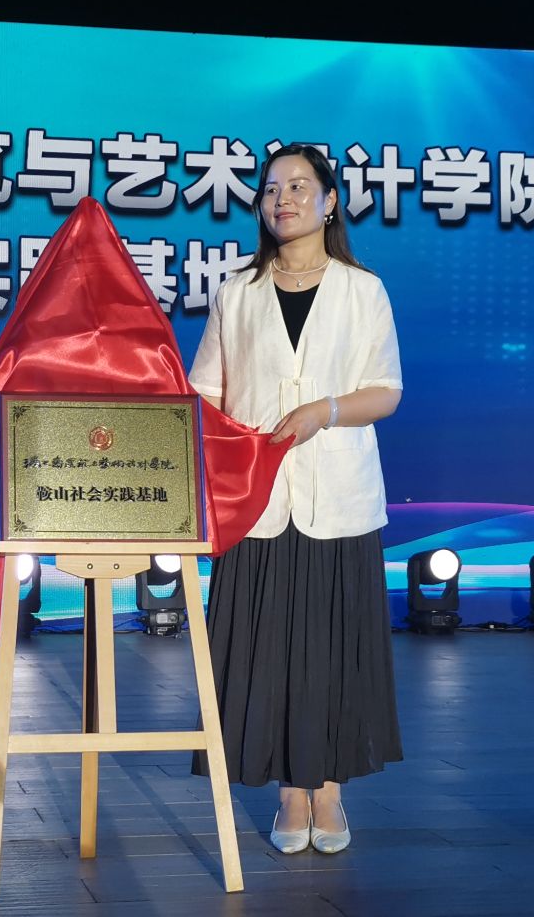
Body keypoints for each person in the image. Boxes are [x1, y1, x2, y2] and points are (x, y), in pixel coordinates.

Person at [187, 144, 404, 854]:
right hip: (257, 497)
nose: (283, 199)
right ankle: (289, 791)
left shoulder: (362, 289)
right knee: (268, 651)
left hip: (337, 495)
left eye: (300, 187)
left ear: (331, 202)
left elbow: (386, 391)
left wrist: (324, 412)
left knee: (335, 649)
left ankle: (329, 791)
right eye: (272, 188)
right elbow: (205, 390)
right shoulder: (237, 292)